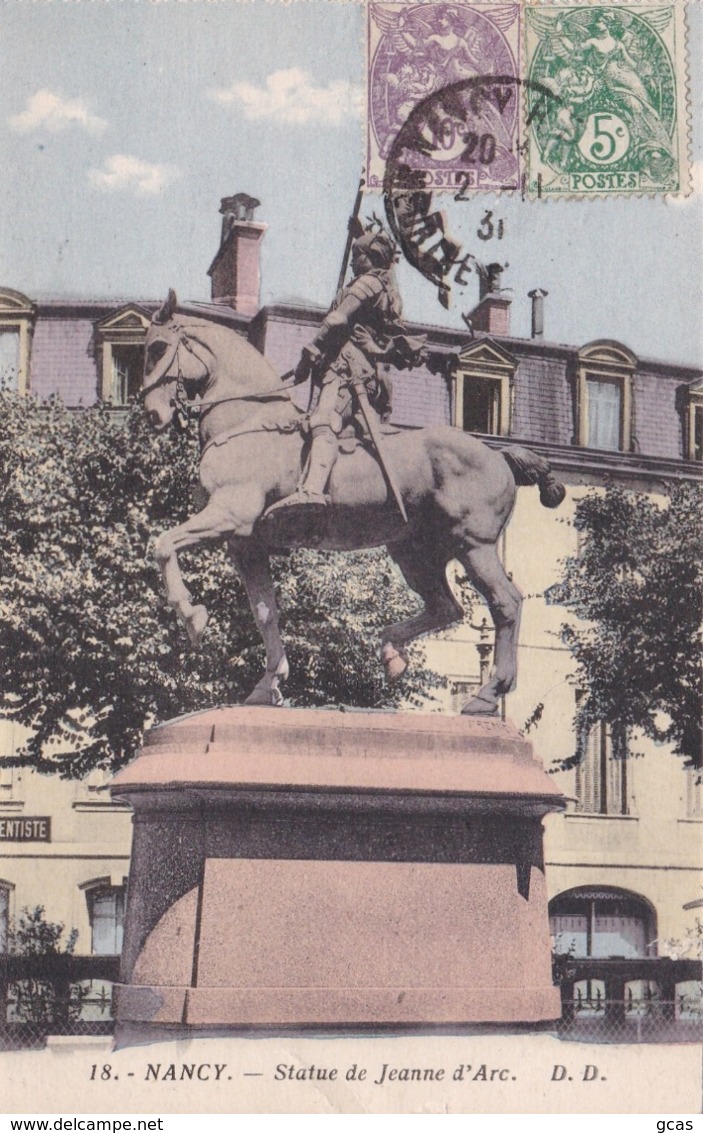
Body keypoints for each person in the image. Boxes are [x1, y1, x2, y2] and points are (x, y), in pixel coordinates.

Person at [266, 229, 425, 513]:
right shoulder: (383, 286)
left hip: (349, 371)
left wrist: (309, 352)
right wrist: (361, 232)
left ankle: (313, 489)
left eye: (357, 256)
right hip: (353, 368)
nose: (352, 262)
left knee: (325, 419)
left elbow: (338, 320)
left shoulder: (368, 284)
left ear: (371, 258)